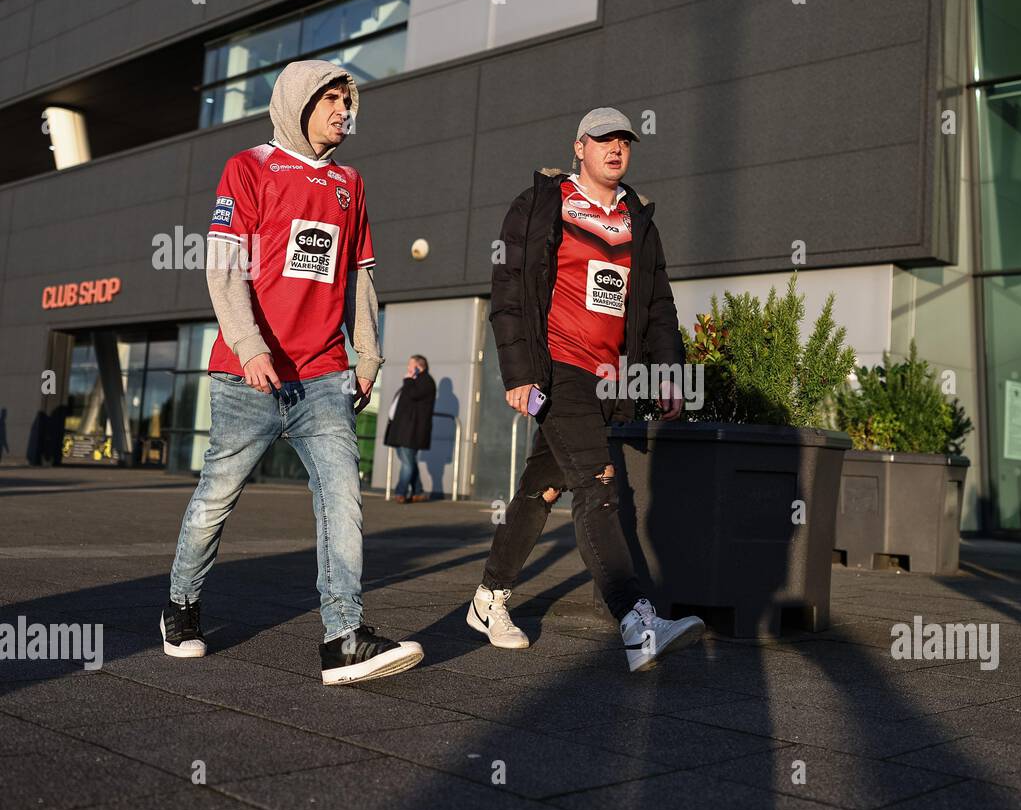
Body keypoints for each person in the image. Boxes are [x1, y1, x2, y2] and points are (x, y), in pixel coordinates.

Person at [162, 60, 424, 686]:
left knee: (342, 501)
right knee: (216, 499)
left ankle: (343, 638)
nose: (343, 112)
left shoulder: (349, 183)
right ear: (297, 105)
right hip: (248, 375)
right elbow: (223, 268)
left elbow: (361, 275)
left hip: (322, 377)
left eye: (346, 101)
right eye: (330, 100)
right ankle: (181, 606)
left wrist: (368, 356)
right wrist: (251, 348)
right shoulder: (247, 168)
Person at [468, 107, 705, 671]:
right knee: (599, 485)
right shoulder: (543, 204)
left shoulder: (638, 219)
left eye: (624, 141)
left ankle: (489, 598)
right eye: (603, 140)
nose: (615, 149)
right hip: (558, 368)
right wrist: (520, 371)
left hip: (611, 378)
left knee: (543, 487)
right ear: (580, 147)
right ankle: (636, 620)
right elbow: (510, 289)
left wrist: (667, 372)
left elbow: (657, 306)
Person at [384, 355, 437, 503]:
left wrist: (408, 380)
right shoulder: (414, 381)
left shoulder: (425, 381)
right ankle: (418, 491)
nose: (407, 368)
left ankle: (400, 492)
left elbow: (414, 395)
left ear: (419, 366)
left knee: (407, 462)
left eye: (410, 365)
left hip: (412, 431)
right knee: (409, 461)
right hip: (403, 430)